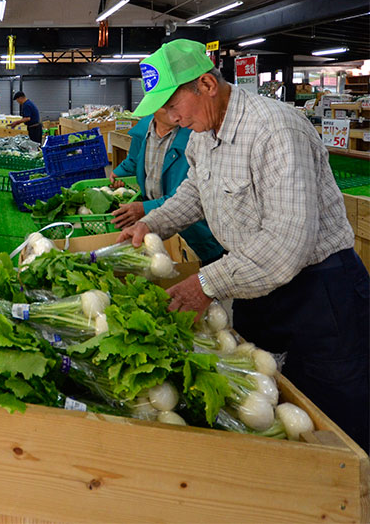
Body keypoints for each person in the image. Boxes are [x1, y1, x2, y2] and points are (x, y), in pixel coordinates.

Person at [117, 39, 369, 450]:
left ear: (206, 85)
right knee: (268, 405)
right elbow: (194, 193)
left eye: (172, 105)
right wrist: (151, 223)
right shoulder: (203, 134)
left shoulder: (275, 130)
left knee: (335, 422)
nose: (170, 118)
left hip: (321, 295)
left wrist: (205, 283)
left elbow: (287, 242)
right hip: (254, 286)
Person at [110, 108, 224, 264]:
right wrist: (119, 173)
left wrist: (145, 208)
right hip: (156, 225)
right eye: (168, 105)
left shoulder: (195, 133)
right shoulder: (144, 129)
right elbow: (134, 158)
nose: (176, 112)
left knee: (201, 272)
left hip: (196, 231)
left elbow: (192, 194)